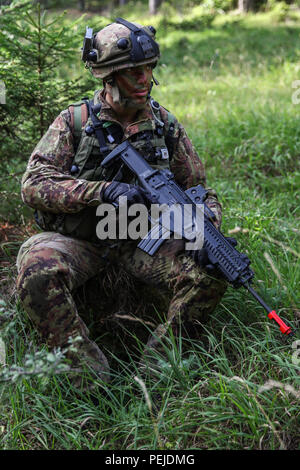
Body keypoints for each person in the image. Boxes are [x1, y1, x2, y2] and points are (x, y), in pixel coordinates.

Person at [16, 18, 227, 389]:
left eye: (148, 69)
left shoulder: (164, 125)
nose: (144, 78)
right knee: (38, 268)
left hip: (142, 240)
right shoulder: (75, 122)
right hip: (82, 240)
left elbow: (198, 188)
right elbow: (34, 184)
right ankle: (86, 373)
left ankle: (158, 372)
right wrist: (100, 191)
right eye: (133, 71)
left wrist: (208, 223)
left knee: (209, 275)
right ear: (109, 77)